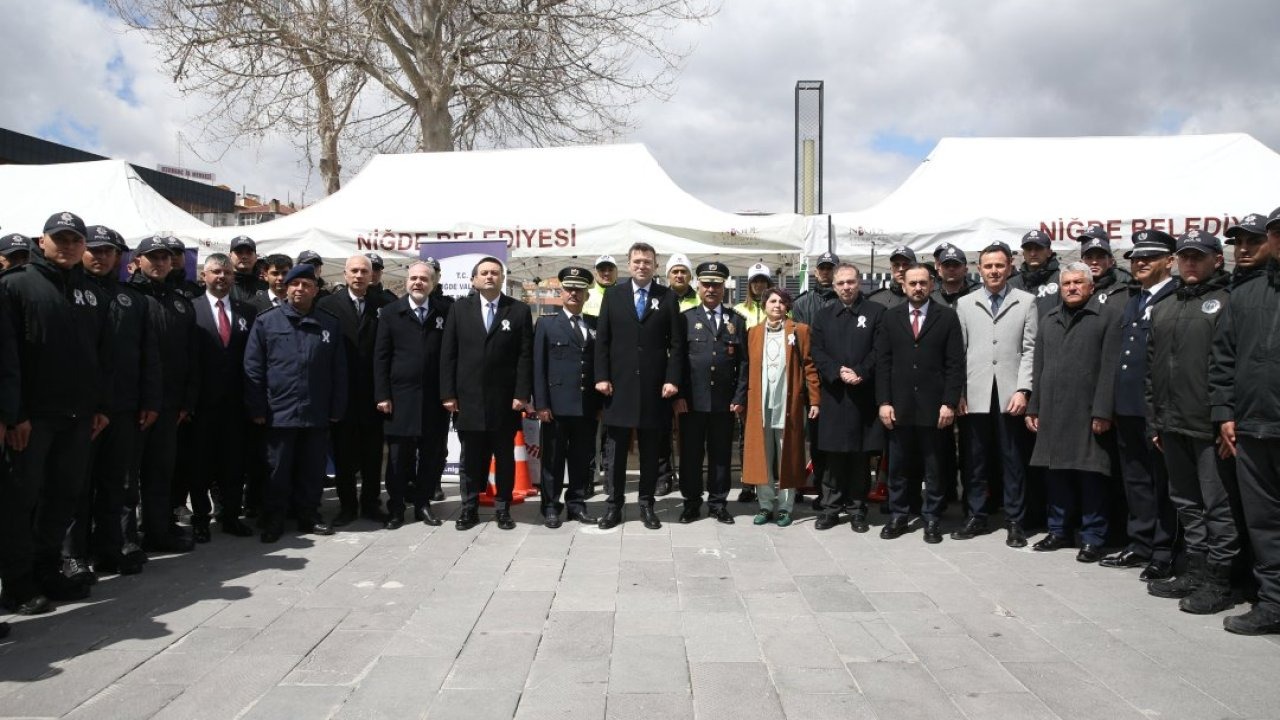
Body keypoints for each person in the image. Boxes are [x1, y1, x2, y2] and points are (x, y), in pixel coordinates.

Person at [0, 211, 108, 613]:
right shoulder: (17, 286)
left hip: (78, 418)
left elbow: (99, 355)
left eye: (75, 240)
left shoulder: (90, 292)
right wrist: (15, 415)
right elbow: (7, 357)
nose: (67, 246)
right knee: (20, 501)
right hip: (33, 420)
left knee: (63, 497)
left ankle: (48, 570)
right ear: (41, 241)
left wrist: (99, 406)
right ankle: (16, 582)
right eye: (59, 239)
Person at [1147, 230, 1241, 614]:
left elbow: (1230, 368)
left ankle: (1220, 581)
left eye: (1197, 257)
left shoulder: (1227, 301)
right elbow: (1151, 371)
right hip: (1172, 423)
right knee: (1185, 501)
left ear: (1217, 260)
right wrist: (1155, 421)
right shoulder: (1165, 306)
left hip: (1207, 426)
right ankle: (1196, 568)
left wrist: (1225, 417)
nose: (1189, 262)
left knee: (1218, 506)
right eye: (1184, 256)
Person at [71, 226, 159, 578]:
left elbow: (147, 354)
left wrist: (150, 399)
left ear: (120, 257)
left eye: (109, 251)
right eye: (94, 249)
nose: (101, 256)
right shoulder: (71, 291)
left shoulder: (132, 299)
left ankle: (112, 546)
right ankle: (72, 554)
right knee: (76, 486)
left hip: (123, 407)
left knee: (118, 483)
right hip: (82, 410)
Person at [1209, 206, 1280, 635]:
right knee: (1264, 522)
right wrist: (1224, 413)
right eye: (1276, 232)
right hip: (1253, 428)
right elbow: (1223, 359)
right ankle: (1273, 603)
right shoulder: (1247, 296)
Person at [244, 263, 347, 542]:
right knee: (277, 469)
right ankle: (274, 519)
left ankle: (309, 515)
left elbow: (339, 370)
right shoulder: (267, 321)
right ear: (286, 288)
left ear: (316, 290)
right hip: (278, 411)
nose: (300, 289)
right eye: (295, 284)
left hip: (316, 411)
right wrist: (256, 408)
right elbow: (253, 367)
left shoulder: (329, 323)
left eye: (307, 285)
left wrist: (336, 408)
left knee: (312, 469)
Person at [1027, 262, 1122, 562]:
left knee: (1091, 476)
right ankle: (1059, 530)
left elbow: (1110, 368)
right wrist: (1035, 405)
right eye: (1067, 283)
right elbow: (1039, 368)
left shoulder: (1106, 317)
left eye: (1078, 282)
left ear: (1091, 286)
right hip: (1054, 412)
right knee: (1057, 475)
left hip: (1088, 412)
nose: (1072, 288)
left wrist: (1104, 410)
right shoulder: (1049, 319)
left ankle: (1093, 537)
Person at [1100, 230, 1178, 579]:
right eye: (1136, 257)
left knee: (1164, 483)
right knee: (1136, 480)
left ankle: (1164, 550)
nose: (1141, 262)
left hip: (1157, 409)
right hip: (1128, 406)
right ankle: (1140, 543)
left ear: (1169, 261)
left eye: (1150, 257)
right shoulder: (1135, 299)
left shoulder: (1174, 298)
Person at [594, 242, 685, 529]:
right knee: (616, 451)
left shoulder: (667, 297)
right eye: (637, 261)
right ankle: (614, 506)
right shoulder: (614, 295)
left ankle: (646, 504)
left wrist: (672, 379)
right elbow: (603, 341)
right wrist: (602, 376)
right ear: (628, 264)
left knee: (650, 451)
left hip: (654, 388)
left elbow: (677, 344)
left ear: (656, 266)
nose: (642, 266)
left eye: (647, 261)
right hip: (618, 387)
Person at [440, 256, 533, 531]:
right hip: (468, 400)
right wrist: (448, 394)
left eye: (495, 272)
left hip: (505, 400)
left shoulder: (518, 311)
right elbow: (449, 355)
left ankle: (503, 509)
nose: (490, 276)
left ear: (503, 278)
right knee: (470, 458)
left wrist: (522, 393)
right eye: (484, 273)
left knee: (504, 457)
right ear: (474, 280)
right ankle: (469, 508)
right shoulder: (459, 309)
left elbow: (524, 356)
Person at [954, 242, 1037, 547]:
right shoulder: (965, 303)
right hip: (975, 393)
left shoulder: (1026, 302)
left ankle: (1015, 519)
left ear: (1010, 267)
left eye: (999, 265)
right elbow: (958, 353)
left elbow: (1030, 350)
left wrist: (1023, 389)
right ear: (979, 268)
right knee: (974, 459)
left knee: (1012, 459)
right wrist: (958, 393)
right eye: (988, 266)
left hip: (1009, 394)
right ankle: (977, 515)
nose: (993, 271)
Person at [875, 265, 964, 543]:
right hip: (899, 406)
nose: (917, 288)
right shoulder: (890, 318)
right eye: (912, 283)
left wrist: (949, 402)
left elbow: (954, 364)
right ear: (903, 286)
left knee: (934, 466)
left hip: (934, 407)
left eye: (923, 283)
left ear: (931, 285)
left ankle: (932, 518)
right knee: (899, 466)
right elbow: (883, 364)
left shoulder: (947, 317)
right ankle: (899, 515)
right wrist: (884, 402)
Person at [129, 236, 199, 554]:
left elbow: (190, 356)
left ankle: (158, 532)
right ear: (139, 260)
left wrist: (186, 401)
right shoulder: (128, 297)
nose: (159, 263)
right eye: (152, 257)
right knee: (126, 479)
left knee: (160, 474)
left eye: (165, 258)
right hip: (133, 406)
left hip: (170, 406)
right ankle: (124, 538)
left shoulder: (180, 302)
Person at [374, 261, 452, 527]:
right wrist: (382, 395)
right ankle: (396, 508)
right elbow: (381, 357)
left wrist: (449, 393)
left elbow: (451, 356)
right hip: (400, 399)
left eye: (424, 279)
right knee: (398, 459)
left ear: (433, 283)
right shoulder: (390, 312)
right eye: (414, 278)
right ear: (407, 281)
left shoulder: (445, 311)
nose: (418, 283)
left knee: (431, 456)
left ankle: (423, 505)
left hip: (434, 399)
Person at [810, 262, 885, 532]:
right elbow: (816, 352)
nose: (846, 287)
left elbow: (880, 350)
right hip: (834, 397)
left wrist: (861, 372)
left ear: (860, 282)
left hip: (862, 396)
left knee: (859, 457)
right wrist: (836, 371)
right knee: (833, 458)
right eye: (841, 283)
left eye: (851, 282)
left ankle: (857, 510)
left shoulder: (877, 312)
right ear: (834, 286)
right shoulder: (823, 316)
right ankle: (831, 509)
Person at [188, 254, 257, 542]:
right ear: (204, 275)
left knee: (233, 463)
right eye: (216, 272)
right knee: (200, 464)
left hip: (236, 405)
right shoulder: (190, 309)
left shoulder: (247, 311)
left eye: (227, 273)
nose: (222, 277)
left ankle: (230, 516)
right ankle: (201, 518)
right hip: (202, 405)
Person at [318, 255, 390, 526]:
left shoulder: (384, 304)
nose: (359, 276)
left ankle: (371, 502)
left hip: (374, 393)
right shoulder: (327, 305)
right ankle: (347, 505)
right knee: (344, 454)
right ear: (345, 274)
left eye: (364, 271)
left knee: (373, 454)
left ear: (372, 276)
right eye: (354, 271)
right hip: (342, 393)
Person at [675, 262, 748, 524]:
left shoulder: (736, 321)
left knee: (720, 455)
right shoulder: (686, 319)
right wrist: (679, 395)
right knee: (691, 455)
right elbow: (679, 362)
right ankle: (691, 503)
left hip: (723, 403)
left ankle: (718, 503)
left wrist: (739, 397)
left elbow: (744, 364)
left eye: (717, 284)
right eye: (706, 284)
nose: (711, 289)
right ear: (698, 286)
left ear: (724, 287)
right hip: (692, 402)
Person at [741, 288, 819, 526]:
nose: (777, 305)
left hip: (788, 403)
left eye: (782, 302)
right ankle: (765, 505)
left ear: (788, 306)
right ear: (764, 305)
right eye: (772, 301)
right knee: (762, 455)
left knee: (788, 454)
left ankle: (785, 506)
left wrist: (814, 399)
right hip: (760, 404)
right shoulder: (753, 333)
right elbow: (746, 369)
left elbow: (809, 366)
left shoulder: (800, 331)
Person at [531, 266, 600, 528]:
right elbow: (538, 366)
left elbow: (598, 366)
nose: (573, 293)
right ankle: (550, 506)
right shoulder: (547, 324)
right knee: (553, 459)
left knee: (582, 459)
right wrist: (541, 403)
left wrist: (600, 404)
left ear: (586, 293)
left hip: (586, 405)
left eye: (579, 289)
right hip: (556, 407)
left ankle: (577, 504)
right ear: (561, 291)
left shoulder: (594, 323)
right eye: (569, 288)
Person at [792, 251, 839, 504]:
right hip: (812, 381)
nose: (826, 272)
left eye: (830, 268)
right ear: (815, 271)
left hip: (840, 380)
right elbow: (799, 346)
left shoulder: (847, 300)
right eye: (822, 268)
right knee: (814, 438)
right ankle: (817, 486)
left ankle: (837, 488)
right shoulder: (801, 304)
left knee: (837, 437)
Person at [1077, 226, 1134, 304]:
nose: (1094, 262)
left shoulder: (1124, 281)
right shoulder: (1072, 284)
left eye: (1100, 257)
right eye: (1089, 257)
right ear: (1081, 262)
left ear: (1111, 262)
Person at [1008, 229, 1061, 301]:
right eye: (1028, 249)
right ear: (1023, 253)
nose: (1033, 254)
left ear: (1049, 252)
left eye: (1038, 248)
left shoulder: (1061, 280)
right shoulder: (1011, 284)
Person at [1225, 212, 1271, 287]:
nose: (1243, 250)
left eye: (1254, 242)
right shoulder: (1226, 285)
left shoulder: (1275, 287)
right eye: (1238, 242)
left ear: (1272, 243)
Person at [228, 235, 268, 303]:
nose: (244, 256)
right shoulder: (222, 286)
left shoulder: (266, 287)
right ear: (230, 256)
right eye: (239, 252)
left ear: (256, 257)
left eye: (249, 253)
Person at [733, 263, 773, 329]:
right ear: (749, 285)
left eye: (763, 281)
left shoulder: (778, 309)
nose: (759, 284)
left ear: (768, 284)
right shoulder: (737, 310)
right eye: (755, 281)